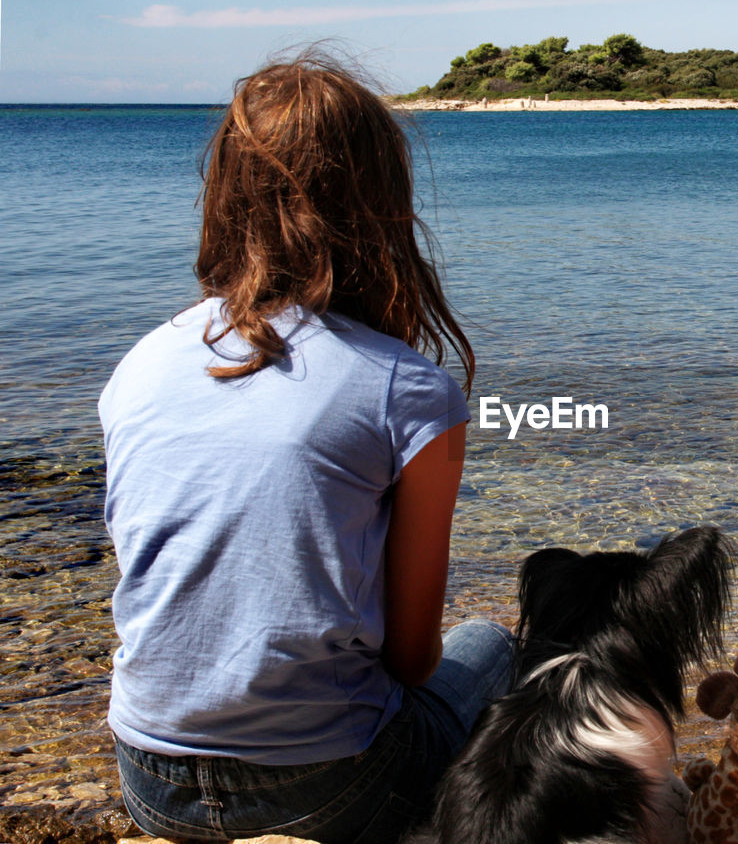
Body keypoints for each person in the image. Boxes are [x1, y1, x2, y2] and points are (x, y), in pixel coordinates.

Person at [99, 52, 513, 843]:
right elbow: (414, 660)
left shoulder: (142, 362)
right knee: (489, 644)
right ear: (382, 200)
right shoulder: (410, 389)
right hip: (330, 789)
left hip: (148, 779)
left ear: (224, 192)